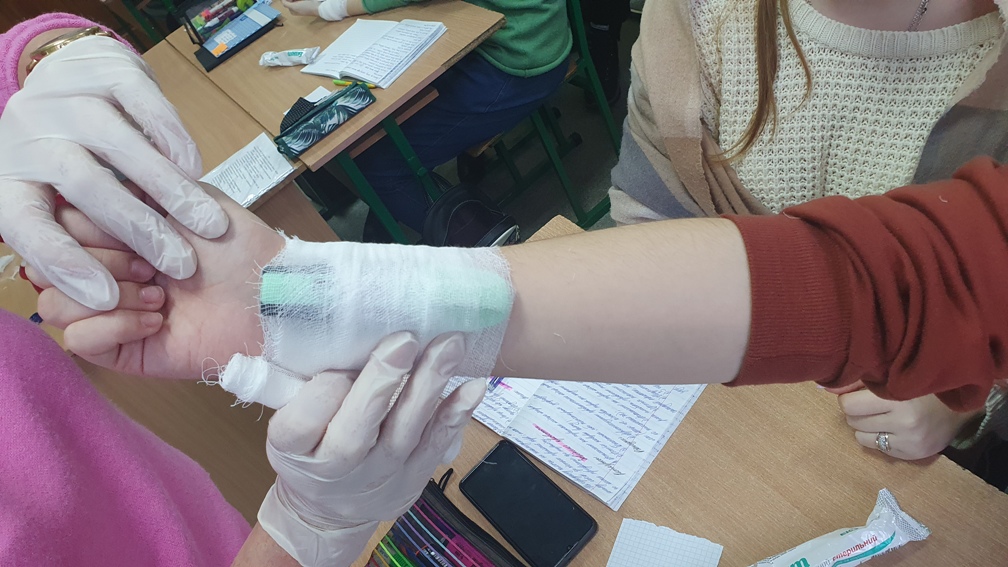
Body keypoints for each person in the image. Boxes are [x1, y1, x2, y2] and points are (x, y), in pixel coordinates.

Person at [604, 0, 1008, 463]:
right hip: (716, 406)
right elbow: (647, 217)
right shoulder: (694, 16)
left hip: (889, 451)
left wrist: (969, 403)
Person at [280, 0, 572, 240]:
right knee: (383, 121)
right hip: (515, 40)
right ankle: (399, 210)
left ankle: (480, 244)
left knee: (377, 162)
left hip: (517, 62)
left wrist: (327, 8)